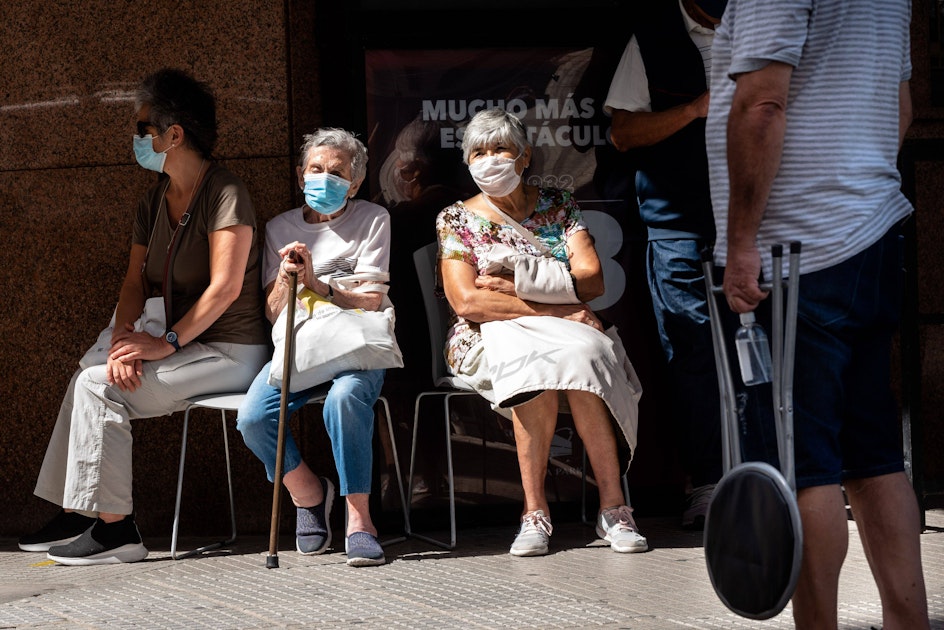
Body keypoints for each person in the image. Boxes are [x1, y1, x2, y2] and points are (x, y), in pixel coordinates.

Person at [706, 1, 930, 627]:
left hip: (797, 245)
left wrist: (743, 242)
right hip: (869, 228)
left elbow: (761, 103)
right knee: (875, 454)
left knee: (805, 463)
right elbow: (901, 106)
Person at [17, 68, 270, 565]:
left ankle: (117, 531)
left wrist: (164, 344)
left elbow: (226, 288)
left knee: (98, 387)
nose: (136, 139)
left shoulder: (226, 192)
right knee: (88, 372)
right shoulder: (154, 199)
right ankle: (81, 508)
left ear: (172, 135)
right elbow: (135, 283)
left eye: (142, 129)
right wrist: (123, 340)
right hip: (174, 340)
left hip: (229, 351)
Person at [436, 108, 647, 557]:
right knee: (539, 370)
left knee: (584, 358)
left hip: (565, 331)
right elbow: (468, 302)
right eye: (478, 151)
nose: (488, 159)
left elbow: (592, 280)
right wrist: (562, 303)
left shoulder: (558, 205)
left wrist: (516, 283)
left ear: (525, 156)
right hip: (485, 335)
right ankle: (534, 513)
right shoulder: (455, 220)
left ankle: (614, 508)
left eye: (500, 149)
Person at [236, 128, 393, 568]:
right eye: (316, 169)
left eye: (337, 172)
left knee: (343, 400)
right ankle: (309, 493)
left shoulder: (372, 219)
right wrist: (288, 279)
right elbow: (271, 311)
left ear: (356, 183)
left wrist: (317, 284)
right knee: (253, 418)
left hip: (356, 344)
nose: (325, 178)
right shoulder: (278, 228)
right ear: (301, 174)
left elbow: (372, 300)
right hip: (302, 347)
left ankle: (359, 520)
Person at [603, 0, 727, 531]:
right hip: (678, 225)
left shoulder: (765, 24)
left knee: (766, 348)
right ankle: (708, 482)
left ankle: (777, 474)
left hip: (755, 219)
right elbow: (623, 133)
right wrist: (696, 109)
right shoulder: (651, 39)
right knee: (691, 350)